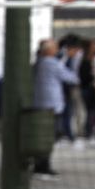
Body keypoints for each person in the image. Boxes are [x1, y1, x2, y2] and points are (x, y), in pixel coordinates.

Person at [31, 39, 77, 176]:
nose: (57, 51)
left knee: (42, 136)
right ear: (48, 50)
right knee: (49, 137)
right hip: (52, 105)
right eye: (55, 48)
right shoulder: (53, 63)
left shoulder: (38, 63)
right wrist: (69, 61)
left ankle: (40, 163)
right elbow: (71, 78)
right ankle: (43, 165)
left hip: (39, 104)